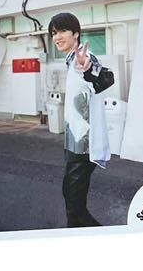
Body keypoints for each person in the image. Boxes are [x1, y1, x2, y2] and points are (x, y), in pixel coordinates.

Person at [48, 12, 114, 227]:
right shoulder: (69, 61)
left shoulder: (84, 58)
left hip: (84, 143)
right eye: (54, 33)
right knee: (70, 196)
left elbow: (101, 78)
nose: (57, 37)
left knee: (75, 203)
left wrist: (88, 69)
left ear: (76, 33)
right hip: (74, 138)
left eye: (62, 31)